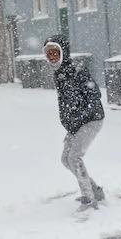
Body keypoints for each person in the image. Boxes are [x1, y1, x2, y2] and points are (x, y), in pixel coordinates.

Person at [45, 34, 105, 207]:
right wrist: (70, 121)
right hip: (75, 125)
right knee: (65, 159)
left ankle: (89, 198)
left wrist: (80, 116)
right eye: (49, 54)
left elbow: (95, 96)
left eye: (56, 53)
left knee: (74, 158)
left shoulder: (77, 72)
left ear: (63, 52)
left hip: (91, 120)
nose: (52, 57)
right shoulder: (59, 74)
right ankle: (95, 191)